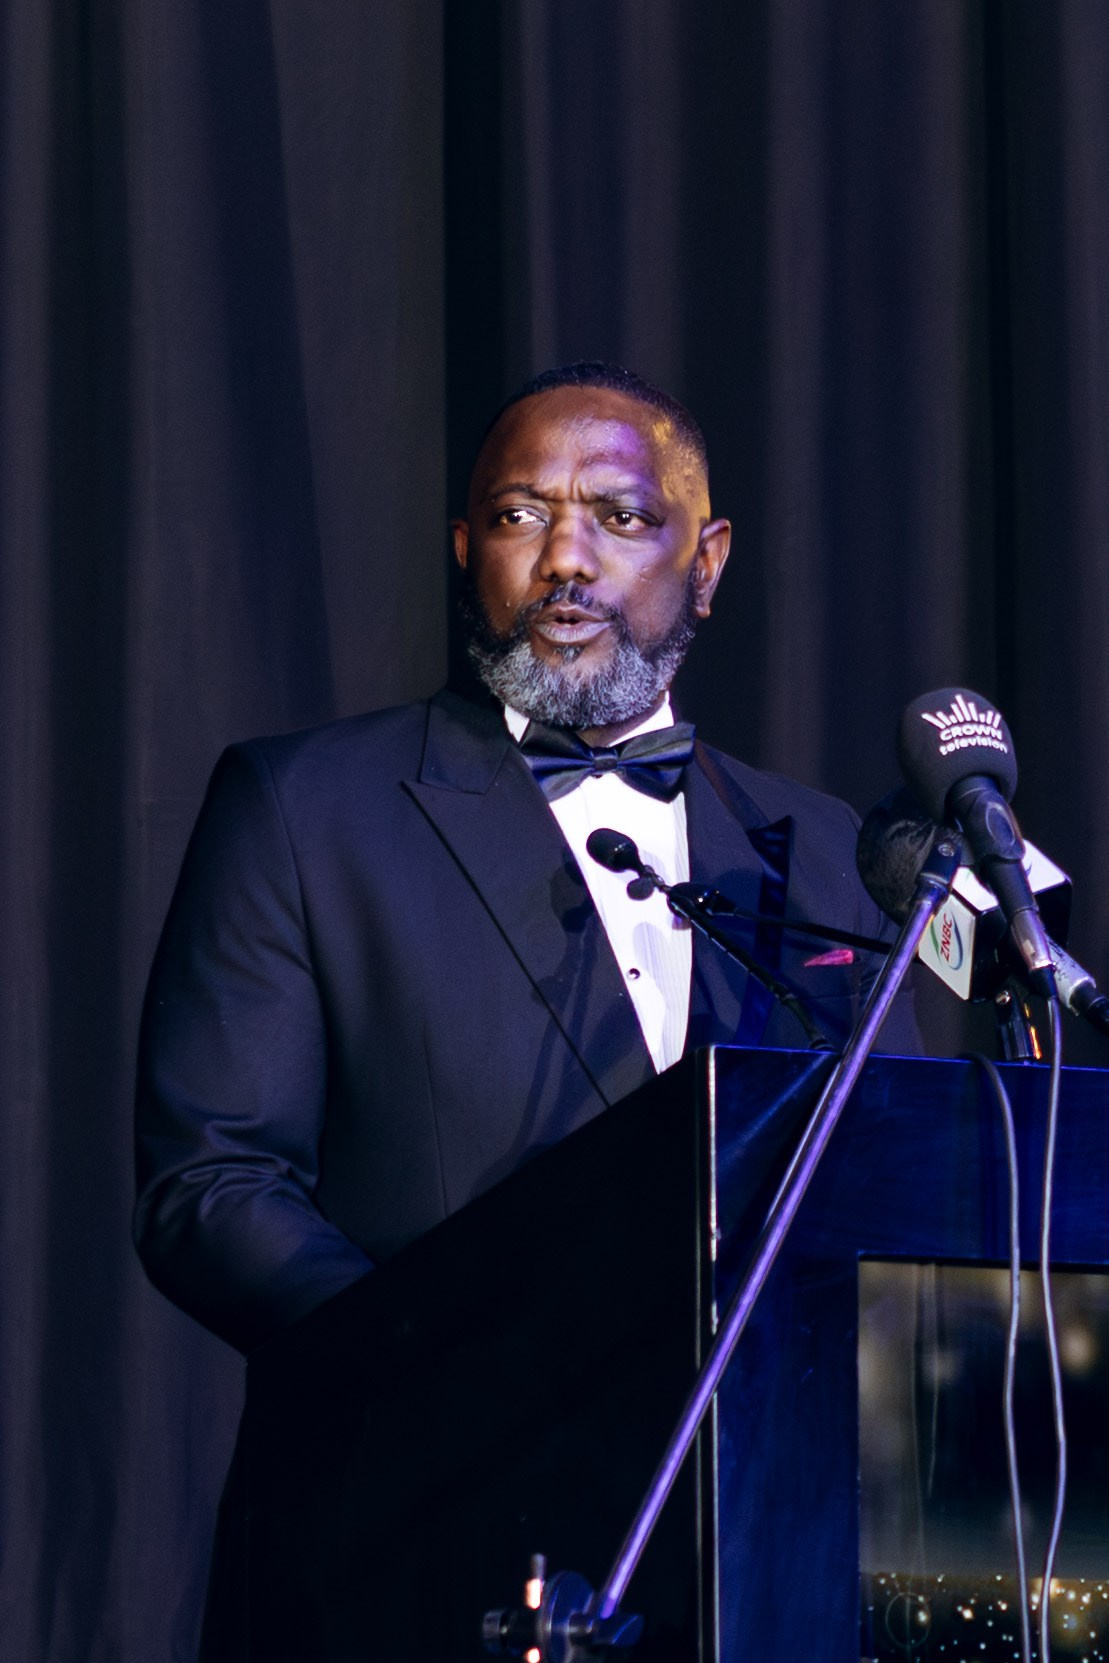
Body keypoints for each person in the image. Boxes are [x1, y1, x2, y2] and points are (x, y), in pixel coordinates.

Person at [134, 362, 917, 1656]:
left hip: (768, 1549)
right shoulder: (305, 807)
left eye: (621, 517)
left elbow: (891, 1193)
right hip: (413, 1537)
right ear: (466, 551)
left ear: (707, 560)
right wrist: (445, 1371)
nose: (565, 559)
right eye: (519, 516)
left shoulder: (831, 852)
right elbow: (211, 1184)